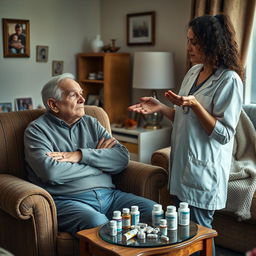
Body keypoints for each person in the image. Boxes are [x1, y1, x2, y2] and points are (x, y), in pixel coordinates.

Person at [129, 14, 243, 255]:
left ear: (212, 43)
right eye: (188, 40)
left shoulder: (229, 80)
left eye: (194, 42)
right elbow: (184, 118)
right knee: (183, 231)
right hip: (182, 167)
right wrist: (161, 108)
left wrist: (196, 106)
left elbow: (224, 134)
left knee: (201, 232)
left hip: (204, 172)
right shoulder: (193, 72)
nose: (188, 47)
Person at [24, 73, 156, 237]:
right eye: (74, 95)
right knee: (98, 224)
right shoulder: (37, 131)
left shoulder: (91, 123)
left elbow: (122, 158)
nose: (82, 99)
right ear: (53, 104)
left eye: (81, 93)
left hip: (110, 196)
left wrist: (80, 155)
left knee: (153, 211)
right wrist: (100, 167)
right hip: (69, 200)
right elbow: (52, 172)